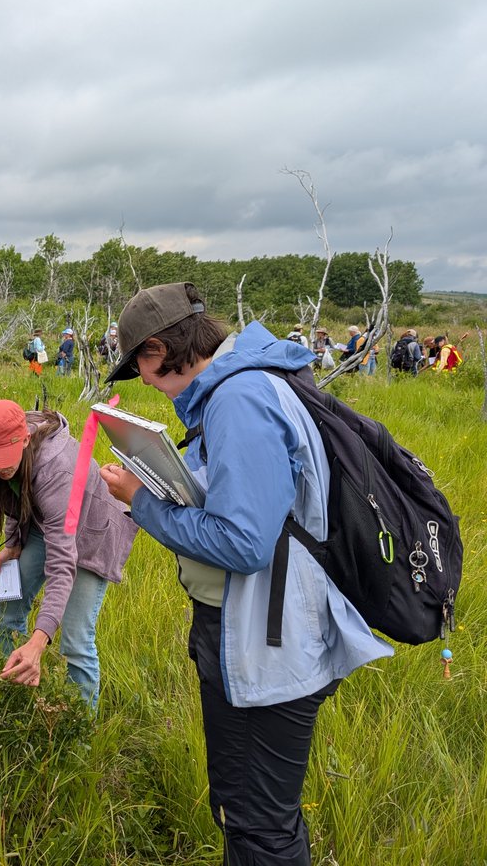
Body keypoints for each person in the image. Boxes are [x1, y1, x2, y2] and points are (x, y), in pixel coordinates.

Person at [97, 283, 393, 866]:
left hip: (271, 641)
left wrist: (144, 502)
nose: (149, 384)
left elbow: (244, 542)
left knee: (261, 825)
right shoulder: (245, 385)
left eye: (143, 370)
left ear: (159, 350)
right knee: (247, 810)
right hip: (249, 629)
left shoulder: (239, 399)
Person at [0, 400, 136, 709]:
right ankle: (16, 697)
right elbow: (16, 492)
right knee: (9, 612)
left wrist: (39, 639)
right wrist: (13, 542)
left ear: (25, 440)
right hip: (47, 524)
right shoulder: (8, 445)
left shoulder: (59, 469)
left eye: (5, 457)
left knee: (75, 640)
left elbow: (62, 566)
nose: (0, 466)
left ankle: (79, 735)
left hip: (91, 536)